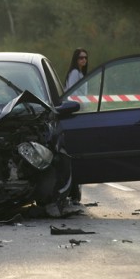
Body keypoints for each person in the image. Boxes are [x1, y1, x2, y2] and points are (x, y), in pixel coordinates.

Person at [64, 47, 89, 204]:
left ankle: (74, 192)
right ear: (76, 59)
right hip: (74, 114)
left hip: (79, 112)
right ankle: (73, 192)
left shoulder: (81, 73)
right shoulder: (74, 73)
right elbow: (72, 94)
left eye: (85, 57)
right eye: (80, 58)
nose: (84, 60)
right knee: (75, 153)